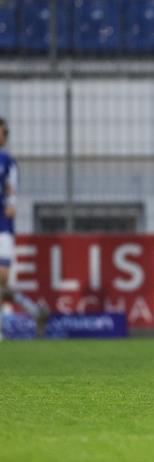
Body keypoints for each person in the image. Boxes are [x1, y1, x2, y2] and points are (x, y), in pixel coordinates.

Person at [0, 117, 49, 339]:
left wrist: (11, 203)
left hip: (3, 228)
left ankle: (30, 311)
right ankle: (33, 310)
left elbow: (12, 193)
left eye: (2, 132)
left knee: (2, 278)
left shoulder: (8, 162)